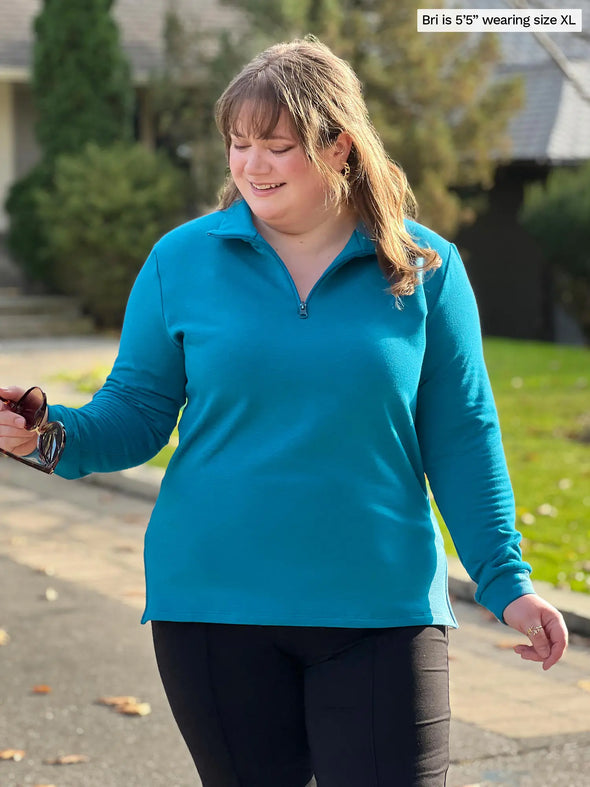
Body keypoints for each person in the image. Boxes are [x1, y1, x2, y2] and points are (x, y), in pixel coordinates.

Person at [0, 36, 568, 787]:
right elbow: (135, 413)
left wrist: (506, 578)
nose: (251, 165)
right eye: (239, 144)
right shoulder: (182, 260)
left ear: (339, 148)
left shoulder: (424, 269)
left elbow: (462, 433)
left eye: (276, 145)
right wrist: (45, 432)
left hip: (382, 605)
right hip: (212, 607)